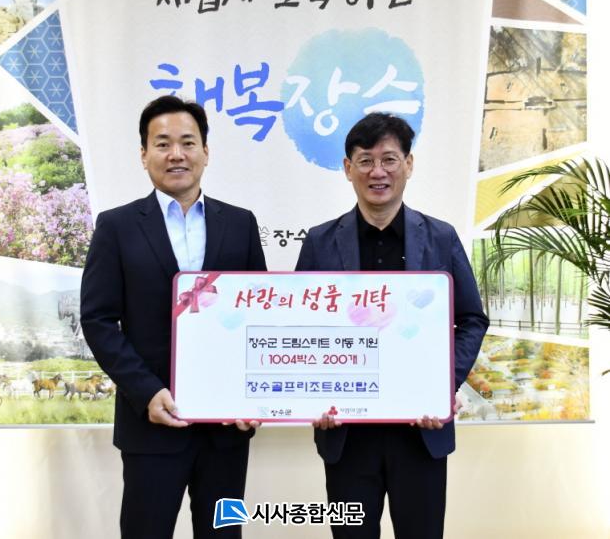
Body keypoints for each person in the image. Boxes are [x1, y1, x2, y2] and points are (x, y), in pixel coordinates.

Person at [80, 96, 266, 539]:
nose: (176, 154)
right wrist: (147, 392)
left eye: (188, 142)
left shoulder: (240, 224)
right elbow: (98, 319)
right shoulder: (117, 226)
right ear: (143, 154)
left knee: (224, 533)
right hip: (151, 422)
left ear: (206, 151)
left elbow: (259, 315)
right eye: (162, 144)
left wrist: (253, 395)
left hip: (225, 428)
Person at [295, 112, 489, 539]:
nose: (377, 172)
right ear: (348, 168)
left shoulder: (440, 238)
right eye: (365, 161)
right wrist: (312, 394)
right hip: (347, 435)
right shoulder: (320, 242)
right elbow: (300, 326)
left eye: (389, 159)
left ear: (409, 164)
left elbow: (471, 318)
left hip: (420, 431)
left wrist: (443, 384)